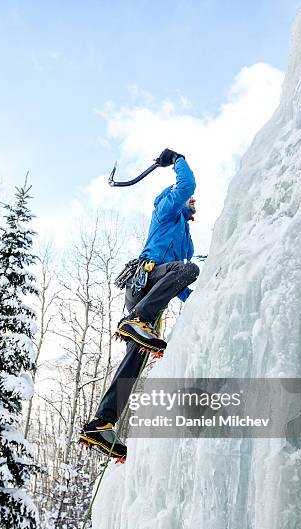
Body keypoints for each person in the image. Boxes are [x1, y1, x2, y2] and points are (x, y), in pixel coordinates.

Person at [79, 148, 199, 458]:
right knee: (191, 269)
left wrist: (204, 297)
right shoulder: (166, 209)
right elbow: (186, 186)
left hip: (152, 293)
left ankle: (102, 424)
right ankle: (136, 320)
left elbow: (177, 283)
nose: (192, 203)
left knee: (136, 357)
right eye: (187, 201)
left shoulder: (185, 236)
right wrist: (178, 160)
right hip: (143, 280)